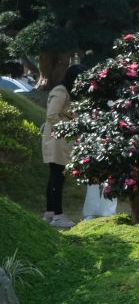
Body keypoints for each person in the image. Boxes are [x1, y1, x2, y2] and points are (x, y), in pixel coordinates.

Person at [42, 64, 85, 229]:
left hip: (59, 139)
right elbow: (52, 115)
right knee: (57, 177)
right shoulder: (60, 91)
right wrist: (71, 127)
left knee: (55, 176)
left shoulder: (66, 91)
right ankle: (58, 216)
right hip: (57, 139)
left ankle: (50, 213)